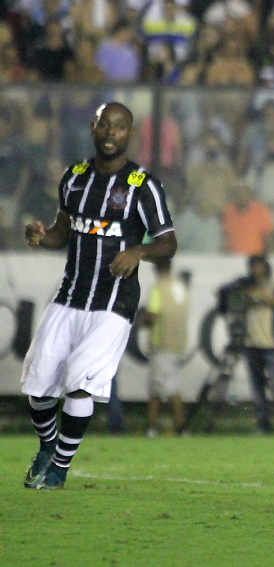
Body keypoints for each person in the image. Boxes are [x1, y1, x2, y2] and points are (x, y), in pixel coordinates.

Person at [22, 102, 177, 489]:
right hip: (70, 294)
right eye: (105, 125)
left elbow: (168, 244)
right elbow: (61, 232)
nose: (111, 133)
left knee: (80, 384)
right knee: (38, 385)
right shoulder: (74, 177)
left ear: (130, 133)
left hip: (114, 302)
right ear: (93, 127)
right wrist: (41, 237)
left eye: (120, 127)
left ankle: (59, 469)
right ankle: (47, 447)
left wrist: (138, 251)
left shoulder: (143, 185)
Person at [234, 255, 274, 435]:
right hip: (251, 342)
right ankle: (263, 425)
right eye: (253, 267)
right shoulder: (248, 287)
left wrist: (256, 296)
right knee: (257, 388)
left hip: (271, 343)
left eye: (259, 266)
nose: (256, 270)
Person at [141, 258, 190, 437]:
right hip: (178, 344)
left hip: (162, 343)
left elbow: (153, 316)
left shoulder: (158, 288)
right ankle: (151, 426)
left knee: (169, 388)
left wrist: (141, 321)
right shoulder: (180, 287)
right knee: (156, 387)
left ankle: (180, 427)